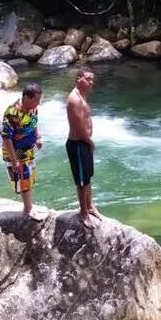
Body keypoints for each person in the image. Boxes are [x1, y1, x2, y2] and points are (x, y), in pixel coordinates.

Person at [66, 68, 103, 228]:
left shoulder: (81, 96)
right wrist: (89, 141)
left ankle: (90, 206)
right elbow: (78, 125)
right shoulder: (74, 99)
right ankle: (83, 213)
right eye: (88, 79)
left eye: (92, 79)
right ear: (78, 78)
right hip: (78, 144)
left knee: (87, 178)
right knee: (82, 181)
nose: (91, 82)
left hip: (84, 143)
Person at [2, 83, 45, 220]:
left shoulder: (33, 108)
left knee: (30, 177)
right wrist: (14, 159)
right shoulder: (12, 112)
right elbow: (6, 137)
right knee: (23, 177)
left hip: (28, 149)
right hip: (16, 151)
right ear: (26, 97)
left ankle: (29, 206)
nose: (38, 104)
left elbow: (34, 122)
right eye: (36, 100)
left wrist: (37, 137)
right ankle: (28, 210)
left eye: (39, 100)